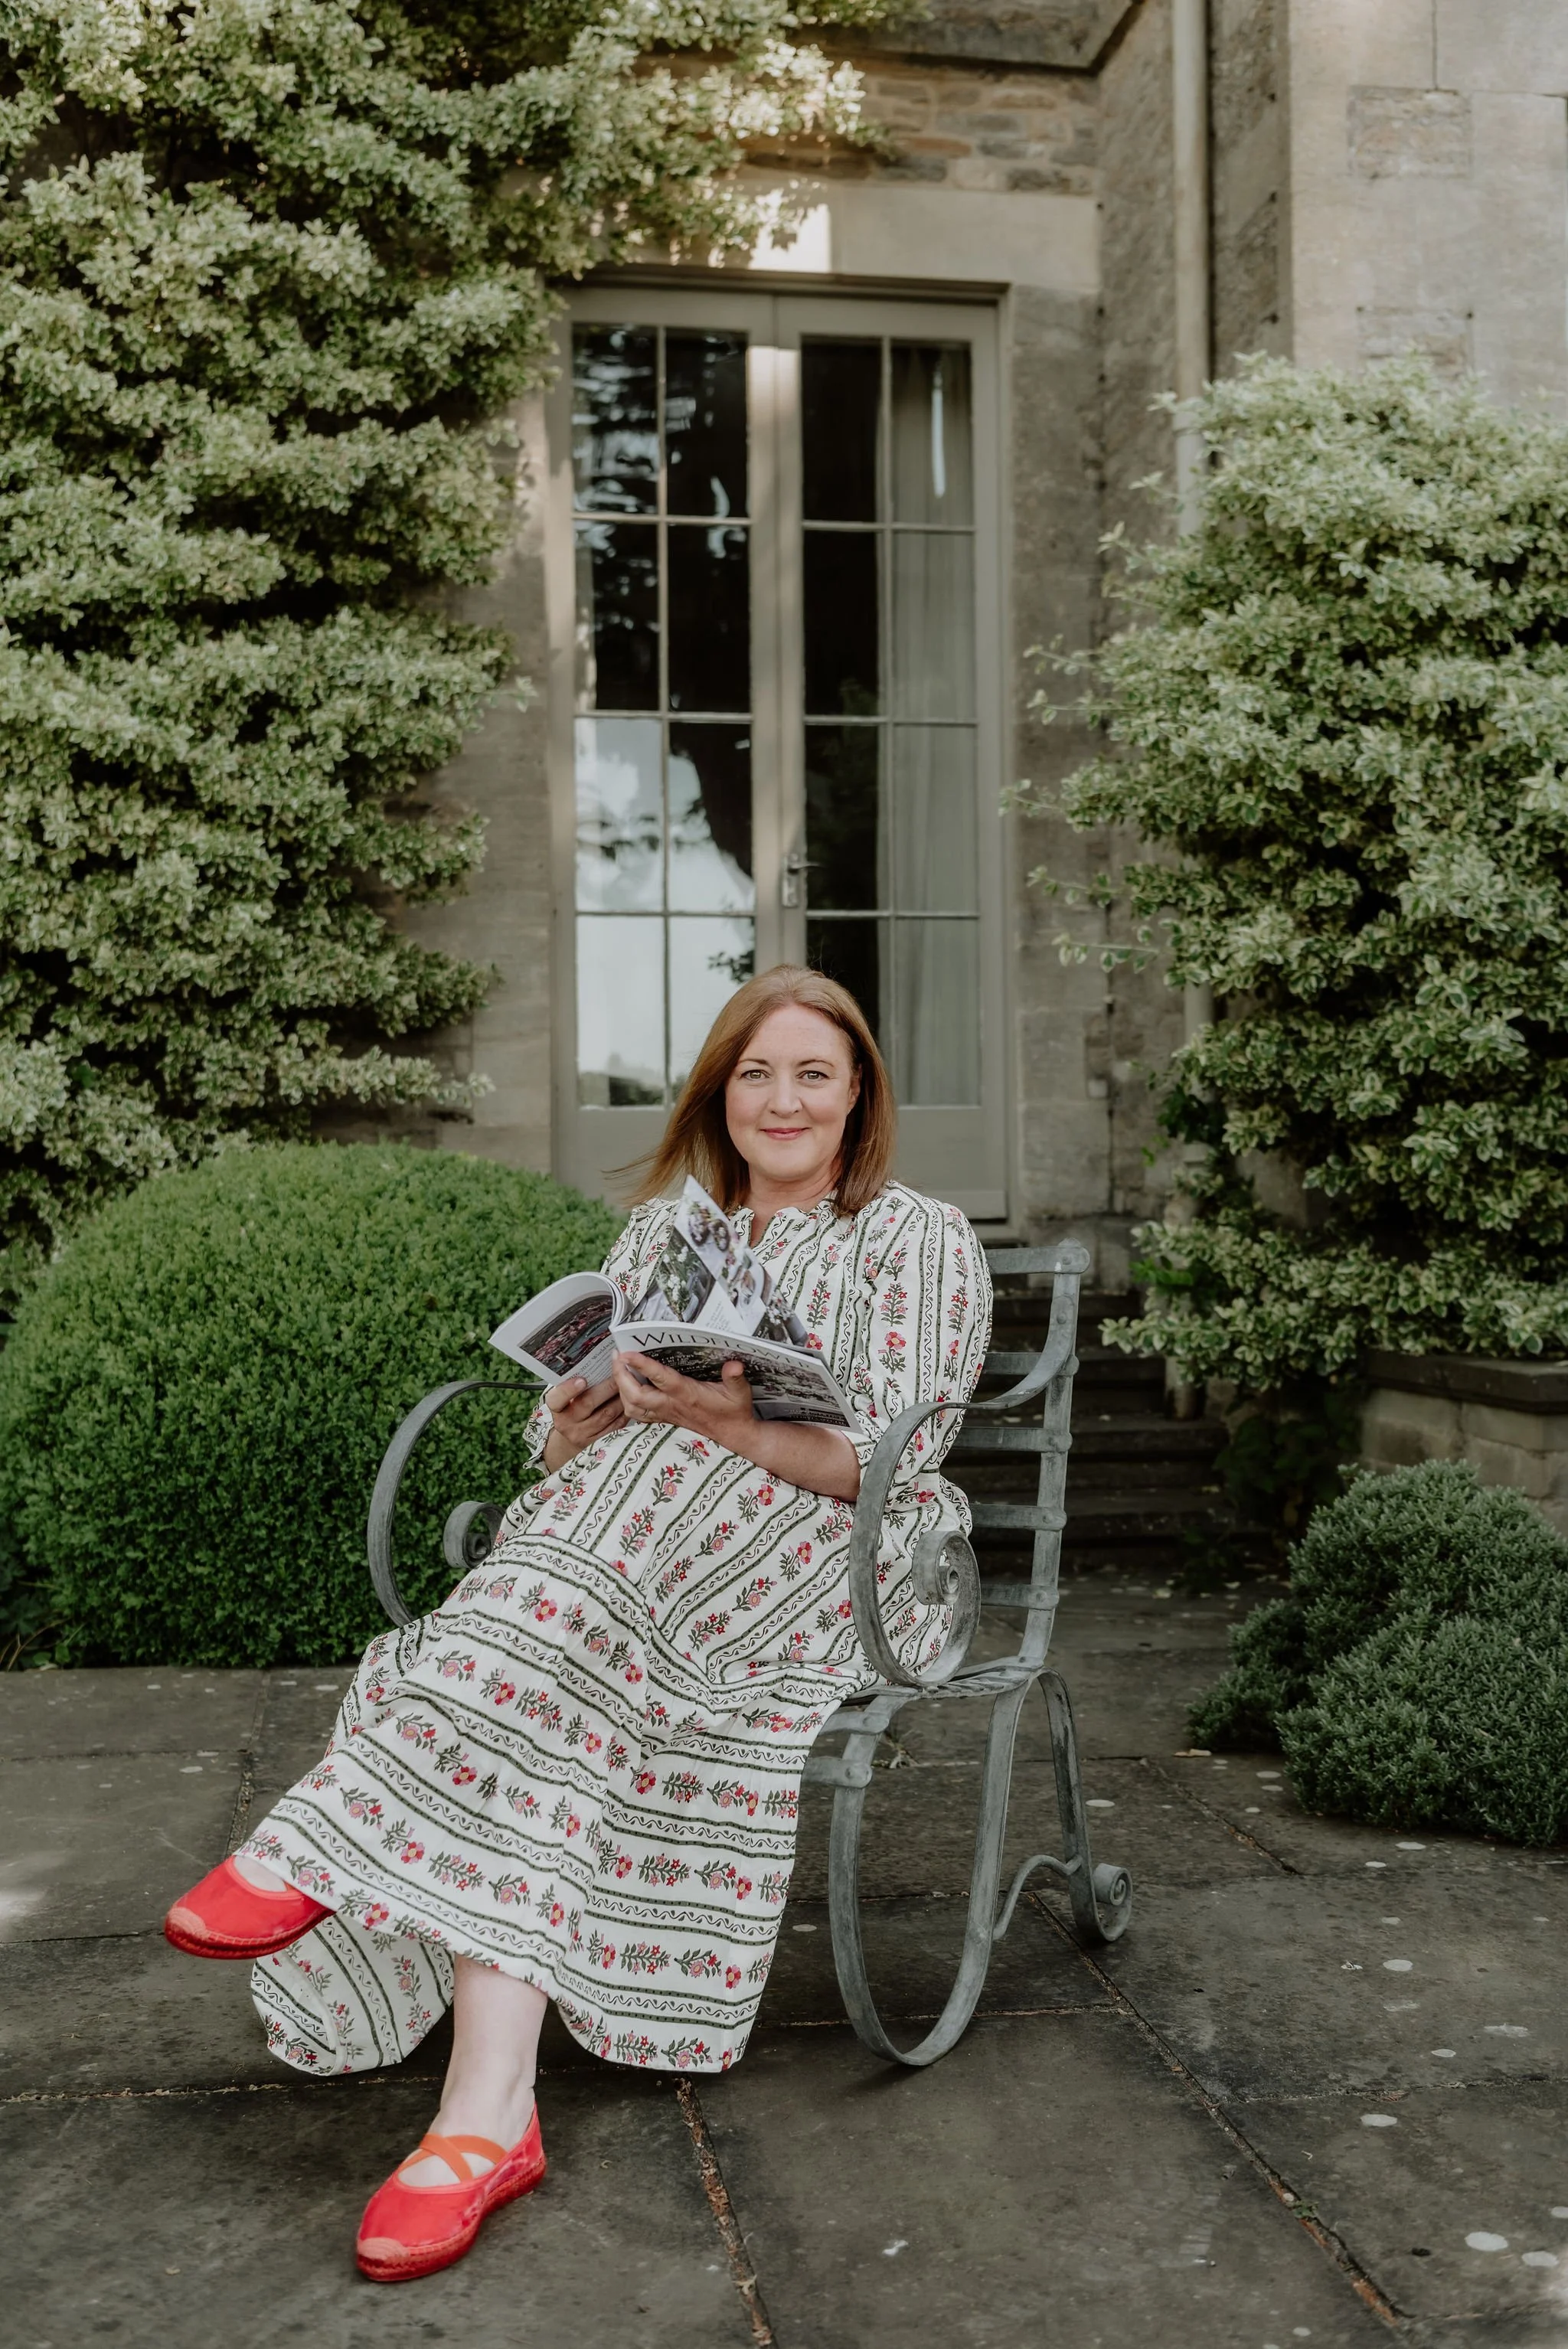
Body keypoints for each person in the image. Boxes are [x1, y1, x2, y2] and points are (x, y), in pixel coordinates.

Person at [164, 964, 991, 2282]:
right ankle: (486, 2116)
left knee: (535, 1619)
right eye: (756, 1074)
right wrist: (569, 1424)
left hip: (831, 1545)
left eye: (813, 1075)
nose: (782, 1100)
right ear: (719, 1095)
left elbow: (889, 1460)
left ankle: (329, 1845)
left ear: (858, 1095)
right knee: (559, 1638)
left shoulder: (916, 1236)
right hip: (633, 1530)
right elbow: (567, 1447)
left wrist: (728, 1422)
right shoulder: (669, 1233)